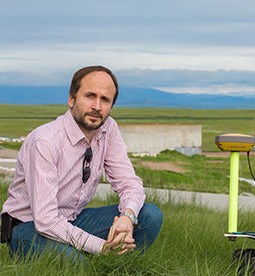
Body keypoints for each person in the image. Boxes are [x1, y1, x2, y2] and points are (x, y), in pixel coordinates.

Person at [0, 65, 163, 261]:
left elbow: (129, 184)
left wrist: (128, 218)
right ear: (71, 99)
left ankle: (119, 266)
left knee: (149, 216)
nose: (97, 106)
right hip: (28, 228)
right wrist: (101, 246)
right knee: (75, 265)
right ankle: (93, 258)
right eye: (90, 96)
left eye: (105, 100)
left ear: (111, 106)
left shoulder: (108, 129)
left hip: (74, 220)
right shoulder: (45, 141)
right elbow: (45, 220)